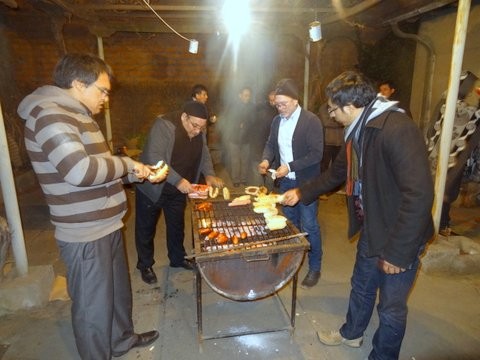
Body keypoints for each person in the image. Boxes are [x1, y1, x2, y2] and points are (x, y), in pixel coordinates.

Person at [17, 53, 162, 359]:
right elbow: (79, 171)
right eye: (102, 90)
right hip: (84, 232)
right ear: (78, 84)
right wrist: (126, 164)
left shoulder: (81, 116)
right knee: (93, 307)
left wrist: (137, 174)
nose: (106, 99)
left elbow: (101, 172)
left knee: (117, 296)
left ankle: (121, 341)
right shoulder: (49, 115)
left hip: (107, 223)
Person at [282, 71, 434, 360]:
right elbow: (337, 173)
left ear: (349, 107)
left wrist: (399, 254)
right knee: (362, 286)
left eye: (332, 109)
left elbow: (419, 195)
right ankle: (352, 334)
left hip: (400, 234)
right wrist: (302, 192)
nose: (332, 114)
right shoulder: (358, 131)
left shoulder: (396, 129)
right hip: (372, 226)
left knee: (390, 307)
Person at [135, 100, 224, 284]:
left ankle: (177, 258)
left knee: (176, 225)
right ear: (184, 117)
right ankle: (145, 264)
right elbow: (154, 156)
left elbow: (204, 152)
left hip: (179, 188)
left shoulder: (199, 128)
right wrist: (178, 180)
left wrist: (209, 174)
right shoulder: (164, 125)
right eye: (194, 126)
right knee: (146, 228)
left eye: (202, 127)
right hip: (154, 186)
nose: (198, 131)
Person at [258, 78, 324, 288]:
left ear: (296, 100)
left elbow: (316, 154)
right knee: (289, 223)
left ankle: (314, 267)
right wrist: (266, 159)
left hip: (306, 183)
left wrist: (290, 166)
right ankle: (291, 261)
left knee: (309, 225)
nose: (280, 108)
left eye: (284, 104)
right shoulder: (277, 121)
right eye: (277, 105)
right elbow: (270, 144)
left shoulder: (311, 120)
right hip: (285, 181)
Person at [222, 86, 255, 186]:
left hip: (246, 139)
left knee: (245, 161)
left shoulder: (252, 107)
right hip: (234, 138)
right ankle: (236, 180)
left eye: (249, 96)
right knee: (235, 161)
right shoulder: (233, 107)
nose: (247, 97)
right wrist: (237, 125)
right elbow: (228, 121)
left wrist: (247, 125)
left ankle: (244, 179)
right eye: (245, 95)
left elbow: (254, 121)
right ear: (240, 95)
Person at [248, 89, 277, 187]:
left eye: (274, 100)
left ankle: (268, 193)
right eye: (270, 100)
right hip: (258, 147)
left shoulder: (280, 111)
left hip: (271, 149)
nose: (272, 103)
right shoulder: (260, 109)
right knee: (257, 173)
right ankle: (260, 192)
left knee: (270, 175)